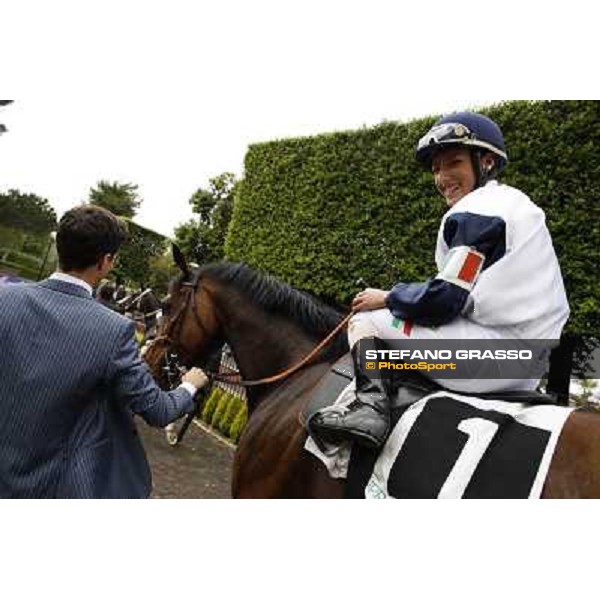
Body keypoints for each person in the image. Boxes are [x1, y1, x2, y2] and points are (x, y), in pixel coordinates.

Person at [311, 112, 570, 449]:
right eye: (436, 169)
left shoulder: (482, 208)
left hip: (486, 360)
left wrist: (388, 298)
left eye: (453, 163)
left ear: (487, 162)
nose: (442, 177)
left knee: (367, 322)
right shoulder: (517, 205)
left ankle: (370, 410)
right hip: (527, 367)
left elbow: (447, 298)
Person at [0, 205, 208, 498]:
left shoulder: (6, 298)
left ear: (60, 246)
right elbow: (159, 411)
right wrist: (190, 385)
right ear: (106, 262)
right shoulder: (114, 330)